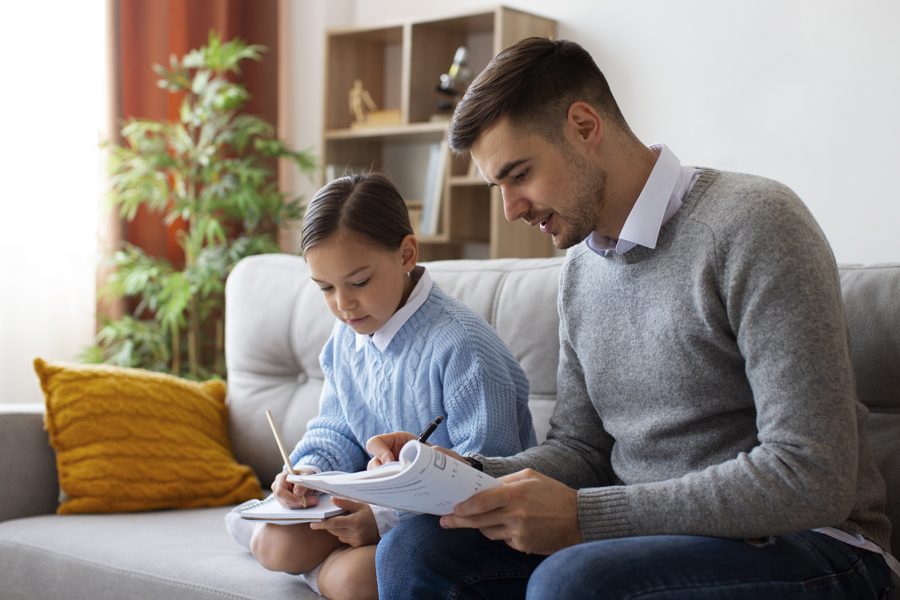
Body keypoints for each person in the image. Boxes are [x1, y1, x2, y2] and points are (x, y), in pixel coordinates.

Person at [368, 37, 898, 599]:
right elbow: (582, 451)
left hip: (813, 546)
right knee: (415, 550)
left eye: (519, 174)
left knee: (572, 582)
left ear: (583, 125)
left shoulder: (756, 225)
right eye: (498, 186)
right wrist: (462, 473)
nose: (511, 208)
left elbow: (813, 474)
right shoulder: (580, 270)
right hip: (641, 541)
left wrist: (588, 517)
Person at [227, 172, 536, 600]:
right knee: (275, 541)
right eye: (325, 288)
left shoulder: (463, 345)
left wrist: (384, 517)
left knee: (351, 580)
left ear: (407, 253)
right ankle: (312, 560)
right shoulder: (348, 337)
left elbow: (489, 474)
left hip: (452, 530)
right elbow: (335, 428)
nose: (342, 304)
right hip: (371, 505)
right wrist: (307, 474)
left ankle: (325, 572)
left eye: (358, 282)